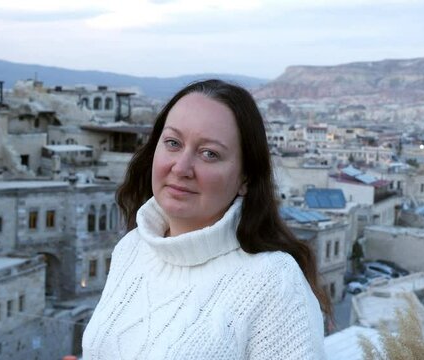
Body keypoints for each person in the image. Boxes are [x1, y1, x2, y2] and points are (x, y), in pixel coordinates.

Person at [82, 79, 330, 359]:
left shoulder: (273, 282)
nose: (182, 167)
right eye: (173, 143)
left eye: (209, 154)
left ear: (245, 178)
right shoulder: (132, 248)